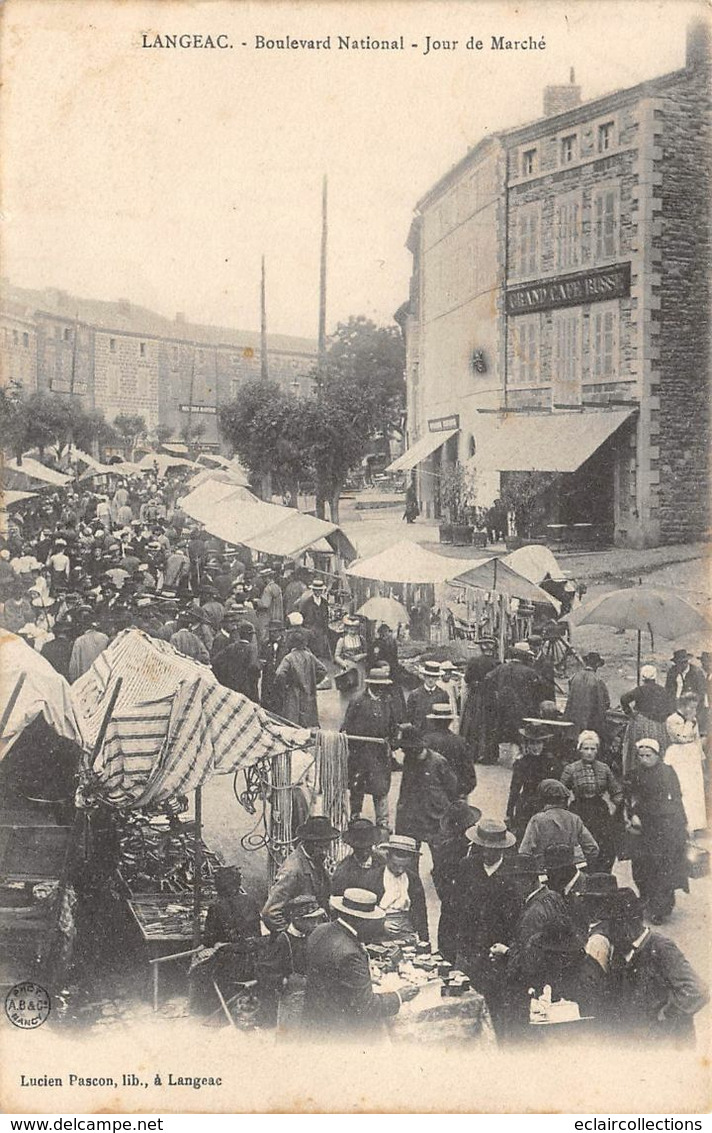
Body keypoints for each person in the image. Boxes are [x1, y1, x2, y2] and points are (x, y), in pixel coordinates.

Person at [303, 888, 419, 1035]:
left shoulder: (320, 930)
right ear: (360, 920)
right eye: (371, 920)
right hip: (339, 1031)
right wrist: (399, 996)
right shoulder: (351, 953)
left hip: (313, 1020)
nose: (374, 925)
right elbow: (366, 1007)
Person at [609, 889, 708, 1045]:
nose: (610, 934)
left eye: (612, 927)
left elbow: (697, 990)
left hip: (670, 1043)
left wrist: (667, 1014)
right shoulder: (622, 951)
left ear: (628, 924)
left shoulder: (661, 948)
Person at [452, 818, 520, 1031]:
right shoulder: (466, 866)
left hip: (497, 953)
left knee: (496, 1006)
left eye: (493, 849)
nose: (488, 853)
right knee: (464, 1004)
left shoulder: (512, 873)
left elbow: (516, 917)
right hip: (469, 949)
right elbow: (454, 908)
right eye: (484, 848)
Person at [628, 738, 689, 924]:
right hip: (643, 824)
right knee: (641, 864)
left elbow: (677, 797)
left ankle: (660, 908)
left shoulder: (667, 772)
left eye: (649, 755)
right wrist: (632, 815)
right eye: (641, 756)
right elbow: (628, 797)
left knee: (663, 865)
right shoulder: (634, 774)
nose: (645, 759)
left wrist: (683, 823)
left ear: (657, 755)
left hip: (664, 824)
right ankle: (646, 898)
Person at [256, 894, 328, 1029]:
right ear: (296, 919)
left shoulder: (312, 936)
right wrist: (283, 981)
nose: (316, 924)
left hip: (310, 998)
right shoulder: (282, 940)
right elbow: (264, 972)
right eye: (311, 920)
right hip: (290, 1002)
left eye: (317, 920)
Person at [342, 668, 399, 834]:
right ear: (371, 684)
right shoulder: (358, 701)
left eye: (383, 685)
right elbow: (346, 726)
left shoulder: (387, 701)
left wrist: (392, 741)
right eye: (377, 685)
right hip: (360, 753)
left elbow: (393, 726)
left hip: (380, 755)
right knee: (357, 786)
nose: (380, 689)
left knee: (380, 788)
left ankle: (382, 822)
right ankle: (355, 817)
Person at [261, 816, 339, 933]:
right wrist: (291, 936)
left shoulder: (316, 861)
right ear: (308, 843)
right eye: (320, 847)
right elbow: (270, 912)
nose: (324, 852)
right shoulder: (292, 870)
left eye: (326, 846)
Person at [561, 730, 623, 872]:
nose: (589, 752)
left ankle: (600, 877)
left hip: (599, 811)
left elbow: (615, 791)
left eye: (592, 749)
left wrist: (623, 807)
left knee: (604, 846)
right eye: (585, 748)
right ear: (580, 750)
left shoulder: (604, 768)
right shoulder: (571, 769)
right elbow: (561, 792)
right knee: (580, 848)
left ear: (597, 750)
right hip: (579, 810)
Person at [394, 724, 460, 857]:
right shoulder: (409, 760)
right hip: (413, 818)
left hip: (435, 818)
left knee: (440, 858)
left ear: (419, 747)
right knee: (409, 858)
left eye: (410, 749)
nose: (406, 752)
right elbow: (405, 789)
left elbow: (453, 789)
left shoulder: (438, 762)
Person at [431, 801, 482, 962]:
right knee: (448, 954)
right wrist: (450, 898)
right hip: (452, 911)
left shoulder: (480, 849)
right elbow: (438, 877)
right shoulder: (446, 849)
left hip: (472, 912)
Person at [519, 778, 599, 868]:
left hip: (544, 872)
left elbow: (525, 852)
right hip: (570, 871)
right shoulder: (574, 819)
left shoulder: (537, 820)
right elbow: (592, 848)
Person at [490, 643, 545, 760]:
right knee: (522, 732)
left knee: (509, 732)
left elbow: (488, 679)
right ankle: (521, 758)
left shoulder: (501, 668)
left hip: (503, 707)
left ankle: (514, 756)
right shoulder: (529, 672)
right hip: (523, 708)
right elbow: (540, 689)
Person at [505, 722, 559, 842]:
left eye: (538, 743)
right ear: (527, 744)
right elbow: (514, 789)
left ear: (544, 744)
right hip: (526, 805)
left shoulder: (551, 763)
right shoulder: (521, 763)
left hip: (545, 806)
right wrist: (509, 812)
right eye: (532, 743)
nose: (536, 747)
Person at [620, 665, 674, 777]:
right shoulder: (662, 691)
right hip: (658, 725)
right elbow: (671, 707)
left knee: (637, 748)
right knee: (658, 748)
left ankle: (634, 773)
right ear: (655, 677)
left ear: (643, 678)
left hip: (640, 723)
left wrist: (630, 713)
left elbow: (624, 699)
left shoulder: (639, 690)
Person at [664, 693, 707, 833]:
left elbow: (696, 738)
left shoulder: (693, 719)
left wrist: (701, 756)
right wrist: (689, 722)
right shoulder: (672, 720)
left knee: (694, 787)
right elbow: (681, 737)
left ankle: (696, 822)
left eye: (695, 707)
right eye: (691, 707)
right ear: (683, 706)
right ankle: (682, 821)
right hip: (678, 754)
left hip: (691, 755)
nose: (694, 711)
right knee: (682, 785)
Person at [422, 702, 477, 799]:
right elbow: (469, 774)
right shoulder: (460, 742)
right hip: (455, 794)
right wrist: (462, 793)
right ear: (450, 721)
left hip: (431, 796)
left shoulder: (426, 741)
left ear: (432, 721)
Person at [275, 629, 327, 727]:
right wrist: (313, 682)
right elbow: (323, 670)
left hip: (293, 692)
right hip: (308, 693)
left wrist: (285, 685)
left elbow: (279, 674)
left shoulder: (289, 658)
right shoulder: (310, 656)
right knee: (307, 723)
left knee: (293, 722)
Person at [459, 637, 498, 760]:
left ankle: (473, 753)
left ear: (482, 648)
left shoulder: (474, 661)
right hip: (491, 697)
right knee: (489, 724)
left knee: (473, 724)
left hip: (476, 696)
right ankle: (489, 754)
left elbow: (466, 679)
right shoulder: (497, 663)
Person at [564, 652, 610, 746]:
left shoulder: (574, 677)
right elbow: (605, 703)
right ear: (597, 665)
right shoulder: (598, 680)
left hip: (573, 720)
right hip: (589, 723)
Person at [330, 818, 384, 896]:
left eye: (367, 847)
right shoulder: (344, 869)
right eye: (359, 849)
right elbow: (337, 894)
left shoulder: (382, 863)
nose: (365, 853)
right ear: (352, 846)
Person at [212, 619, 261, 701]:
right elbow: (254, 667)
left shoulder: (231, 647)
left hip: (231, 685)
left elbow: (215, 661)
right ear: (250, 636)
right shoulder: (251, 649)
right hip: (246, 688)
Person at [333, 614, 367, 709]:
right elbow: (336, 656)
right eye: (351, 629)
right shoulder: (342, 641)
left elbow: (367, 652)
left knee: (360, 691)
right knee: (348, 691)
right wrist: (344, 663)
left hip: (360, 668)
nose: (353, 631)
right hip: (348, 668)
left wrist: (362, 655)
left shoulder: (361, 639)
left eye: (355, 629)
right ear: (347, 629)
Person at [406, 659, 449, 731]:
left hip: (436, 733)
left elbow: (446, 717)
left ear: (438, 678)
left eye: (434, 677)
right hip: (419, 734)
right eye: (428, 676)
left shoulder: (443, 695)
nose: (430, 680)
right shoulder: (415, 694)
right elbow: (410, 717)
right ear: (424, 676)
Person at [297, 578, 331, 661]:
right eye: (316, 590)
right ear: (313, 590)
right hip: (310, 631)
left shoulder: (324, 602)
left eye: (320, 590)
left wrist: (325, 630)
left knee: (320, 652)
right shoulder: (307, 603)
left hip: (320, 631)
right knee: (311, 653)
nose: (318, 592)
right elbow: (302, 616)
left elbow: (326, 617)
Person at [68, 615, 109, 682]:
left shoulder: (79, 641)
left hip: (85, 680)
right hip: (102, 677)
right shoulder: (105, 638)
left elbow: (73, 668)